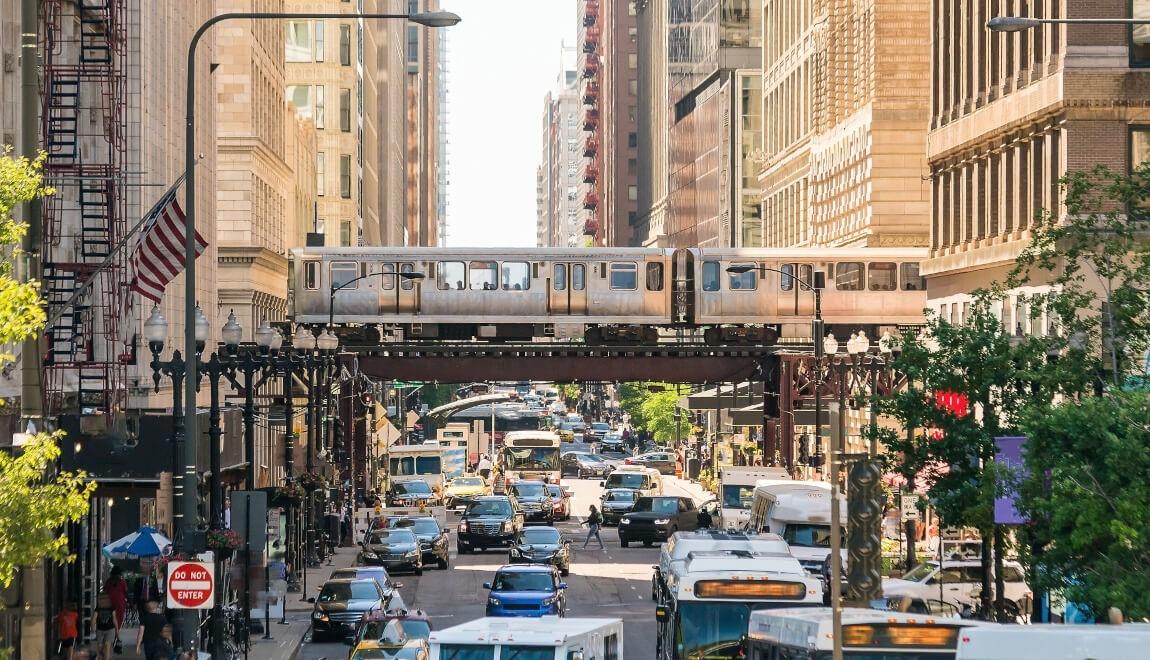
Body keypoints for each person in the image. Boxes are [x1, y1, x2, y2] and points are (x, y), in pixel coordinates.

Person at [92, 593, 119, 660]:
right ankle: (103, 656)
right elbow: (94, 618)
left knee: (107, 645)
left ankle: (106, 658)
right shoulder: (97, 608)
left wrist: (117, 630)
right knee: (100, 647)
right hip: (100, 630)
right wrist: (92, 626)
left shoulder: (111, 608)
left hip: (110, 629)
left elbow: (114, 619)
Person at [102, 566, 127, 638]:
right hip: (119, 603)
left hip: (109, 603)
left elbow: (105, 591)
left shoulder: (108, 581)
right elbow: (125, 593)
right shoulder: (122, 582)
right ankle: (116, 634)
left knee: (110, 618)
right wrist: (130, 602)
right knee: (118, 618)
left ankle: (111, 634)